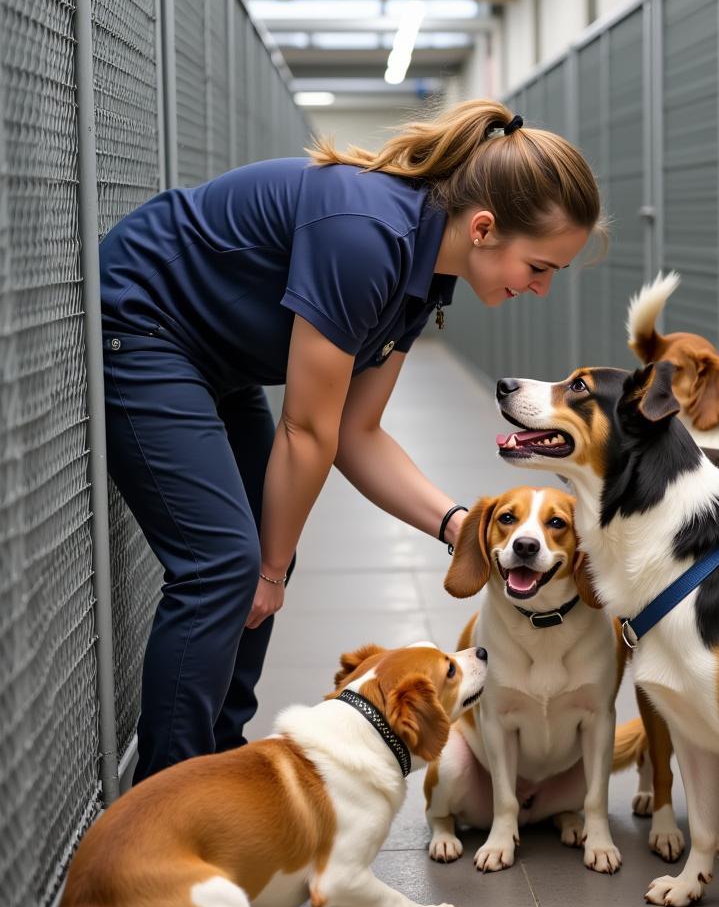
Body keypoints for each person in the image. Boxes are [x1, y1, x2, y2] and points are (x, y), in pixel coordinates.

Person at [99, 98, 604, 782]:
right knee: (227, 565)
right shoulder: (367, 236)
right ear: (484, 228)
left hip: (219, 358)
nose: (540, 288)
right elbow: (307, 428)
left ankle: (217, 770)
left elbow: (355, 434)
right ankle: (165, 804)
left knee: (261, 555)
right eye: (539, 267)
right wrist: (269, 569)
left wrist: (459, 526)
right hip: (147, 322)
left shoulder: (427, 276)